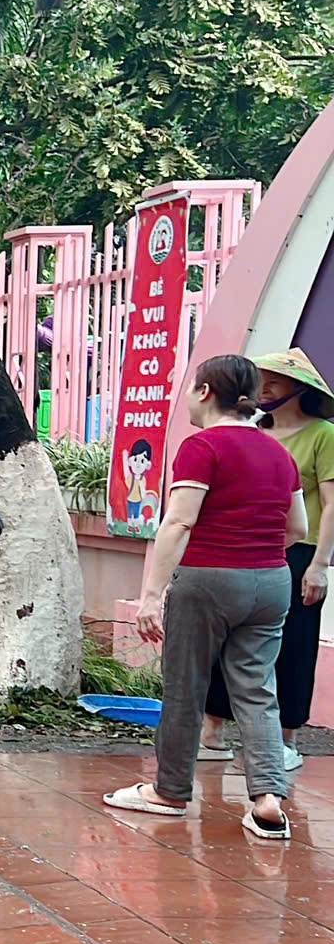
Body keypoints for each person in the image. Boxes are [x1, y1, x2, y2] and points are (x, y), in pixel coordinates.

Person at [106, 355, 305, 841]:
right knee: (257, 689)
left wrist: (151, 595)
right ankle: (267, 800)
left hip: (208, 580)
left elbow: (178, 522)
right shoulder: (280, 453)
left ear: (203, 392)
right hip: (272, 581)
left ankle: (169, 792)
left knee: (185, 686)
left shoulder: (202, 446)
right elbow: (298, 529)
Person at [195, 348, 334, 777]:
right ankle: (213, 731)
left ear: (301, 388)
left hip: (299, 551)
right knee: (224, 640)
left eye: (276, 379)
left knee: (294, 646)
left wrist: (319, 564)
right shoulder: (253, 431)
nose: (266, 386)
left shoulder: (323, 435)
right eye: (262, 379)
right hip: (245, 548)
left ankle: (287, 738)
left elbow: (331, 504)